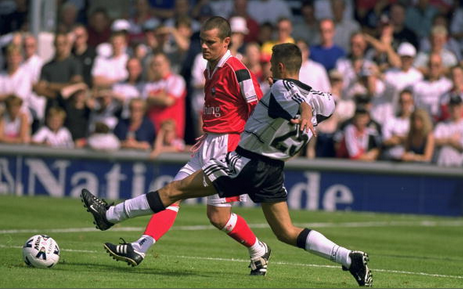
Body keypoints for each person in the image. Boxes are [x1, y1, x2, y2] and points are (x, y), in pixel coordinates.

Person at [81, 43, 373, 287]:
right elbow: (315, 100)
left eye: (272, 64)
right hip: (273, 170)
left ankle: (109, 214)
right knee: (285, 231)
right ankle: (349, 258)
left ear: (282, 67)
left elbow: (297, 98)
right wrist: (309, 111)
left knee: (176, 190)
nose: (269, 69)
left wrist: (304, 110)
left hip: (246, 162)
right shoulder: (324, 100)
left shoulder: (281, 87)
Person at [85, 16, 270, 276]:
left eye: (210, 42)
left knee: (193, 203)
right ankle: (139, 244)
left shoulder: (237, 70)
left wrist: (248, 149)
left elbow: (259, 108)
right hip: (209, 142)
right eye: (202, 41)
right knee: (183, 199)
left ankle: (111, 215)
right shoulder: (210, 67)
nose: (204, 47)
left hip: (227, 147)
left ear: (227, 42)